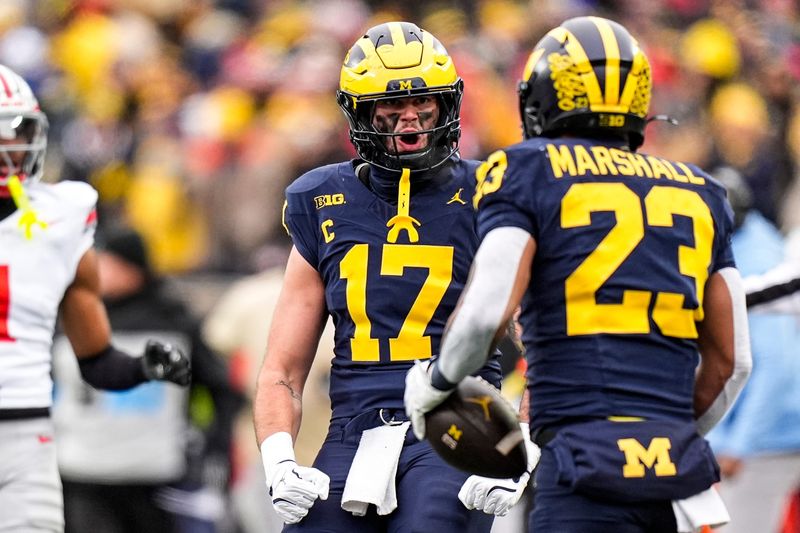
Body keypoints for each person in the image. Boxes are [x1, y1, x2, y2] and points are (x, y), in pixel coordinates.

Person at [405, 16, 752, 533]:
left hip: (580, 463)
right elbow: (733, 360)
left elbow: (484, 315)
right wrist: (665, 439)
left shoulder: (526, 169)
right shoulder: (701, 190)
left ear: (543, 97)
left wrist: (437, 384)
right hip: (675, 476)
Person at [253, 22, 536, 532]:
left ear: (447, 104)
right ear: (359, 112)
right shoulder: (322, 200)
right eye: (391, 107)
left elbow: (545, 345)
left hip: (462, 420)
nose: (411, 120)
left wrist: (521, 443)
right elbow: (282, 369)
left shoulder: (492, 192)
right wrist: (278, 459)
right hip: (353, 425)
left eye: (424, 104)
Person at [0, 63, 190, 533]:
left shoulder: (60, 222)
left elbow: (97, 361)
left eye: (17, 131)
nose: (12, 146)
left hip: (27, 441)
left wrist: (142, 367)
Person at [51, 227, 244, 533]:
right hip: (81, 470)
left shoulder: (174, 323)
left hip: (152, 472)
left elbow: (222, 390)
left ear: (131, 267)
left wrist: (212, 446)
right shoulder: (68, 319)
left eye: (106, 261)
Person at [705, 168, 800, 533]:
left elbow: (776, 363)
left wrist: (741, 444)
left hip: (769, 438)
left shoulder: (754, 254)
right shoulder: (751, 242)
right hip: (761, 433)